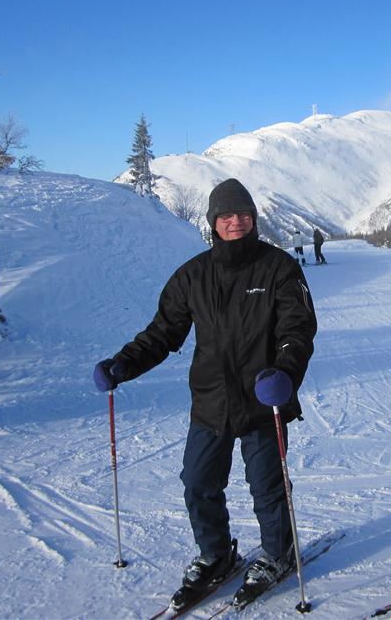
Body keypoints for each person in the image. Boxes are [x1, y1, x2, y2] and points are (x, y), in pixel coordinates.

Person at [92, 178, 317, 610]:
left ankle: (278, 554)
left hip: (262, 400)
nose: (235, 221)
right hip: (211, 402)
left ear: (254, 218)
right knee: (197, 483)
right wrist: (123, 364)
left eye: (243, 214)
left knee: (268, 488)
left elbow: (298, 329)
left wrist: (285, 373)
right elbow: (162, 333)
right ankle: (216, 553)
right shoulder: (193, 275)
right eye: (226, 215)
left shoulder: (278, 269)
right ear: (213, 222)